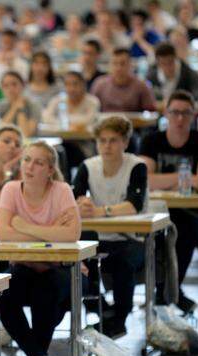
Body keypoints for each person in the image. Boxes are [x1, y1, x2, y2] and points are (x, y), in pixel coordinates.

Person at [0, 141, 81, 356]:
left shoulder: (61, 190)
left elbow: (72, 235)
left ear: (50, 170)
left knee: (47, 290)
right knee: (6, 298)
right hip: (24, 267)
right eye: (26, 159)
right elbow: (3, 234)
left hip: (62, 269)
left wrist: (23, 226)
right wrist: (52, 231)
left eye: (38, 162)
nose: (30, 166)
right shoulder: (11, 189)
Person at [139, 90, 198, 314]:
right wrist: (183, 178)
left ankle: (167, 293)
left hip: (194, 212)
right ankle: (171, 294)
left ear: (194, 115)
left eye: (186, 113)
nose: (180, 118)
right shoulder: (151, 140)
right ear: (166, 113)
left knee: (183, 231)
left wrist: (164, 181)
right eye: (175, 112)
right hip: (158, 211)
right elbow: (145, 179)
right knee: (158, 233)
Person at [73, 116, 148, 338]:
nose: (106, 146)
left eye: (113, 140)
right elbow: (74, 198)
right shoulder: (88, 166)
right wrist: (82, 204)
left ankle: (120, 319)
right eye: (102, 140)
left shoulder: (137, 166)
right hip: (100, 236)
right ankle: (104, 313)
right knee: (82, 261)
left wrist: (99, 211)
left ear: (125, 142)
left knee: (123, 263)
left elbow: (134, 205)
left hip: (132, 237)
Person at [90, 48, 156, 112]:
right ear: (109, 65)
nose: (119, 68)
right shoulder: (99, 84)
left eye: (123, 63)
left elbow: (151, 110)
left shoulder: (141, 86)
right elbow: (92, 109)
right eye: (115, 63)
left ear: (130, 65)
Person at [0, 70, 41, 138]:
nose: (10, 89)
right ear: (2, 89)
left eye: (14, 84)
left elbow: (26, 135)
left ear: (23, 85)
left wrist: (21, 109)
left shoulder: (34, 105)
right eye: (6, 85)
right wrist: (14, 108)